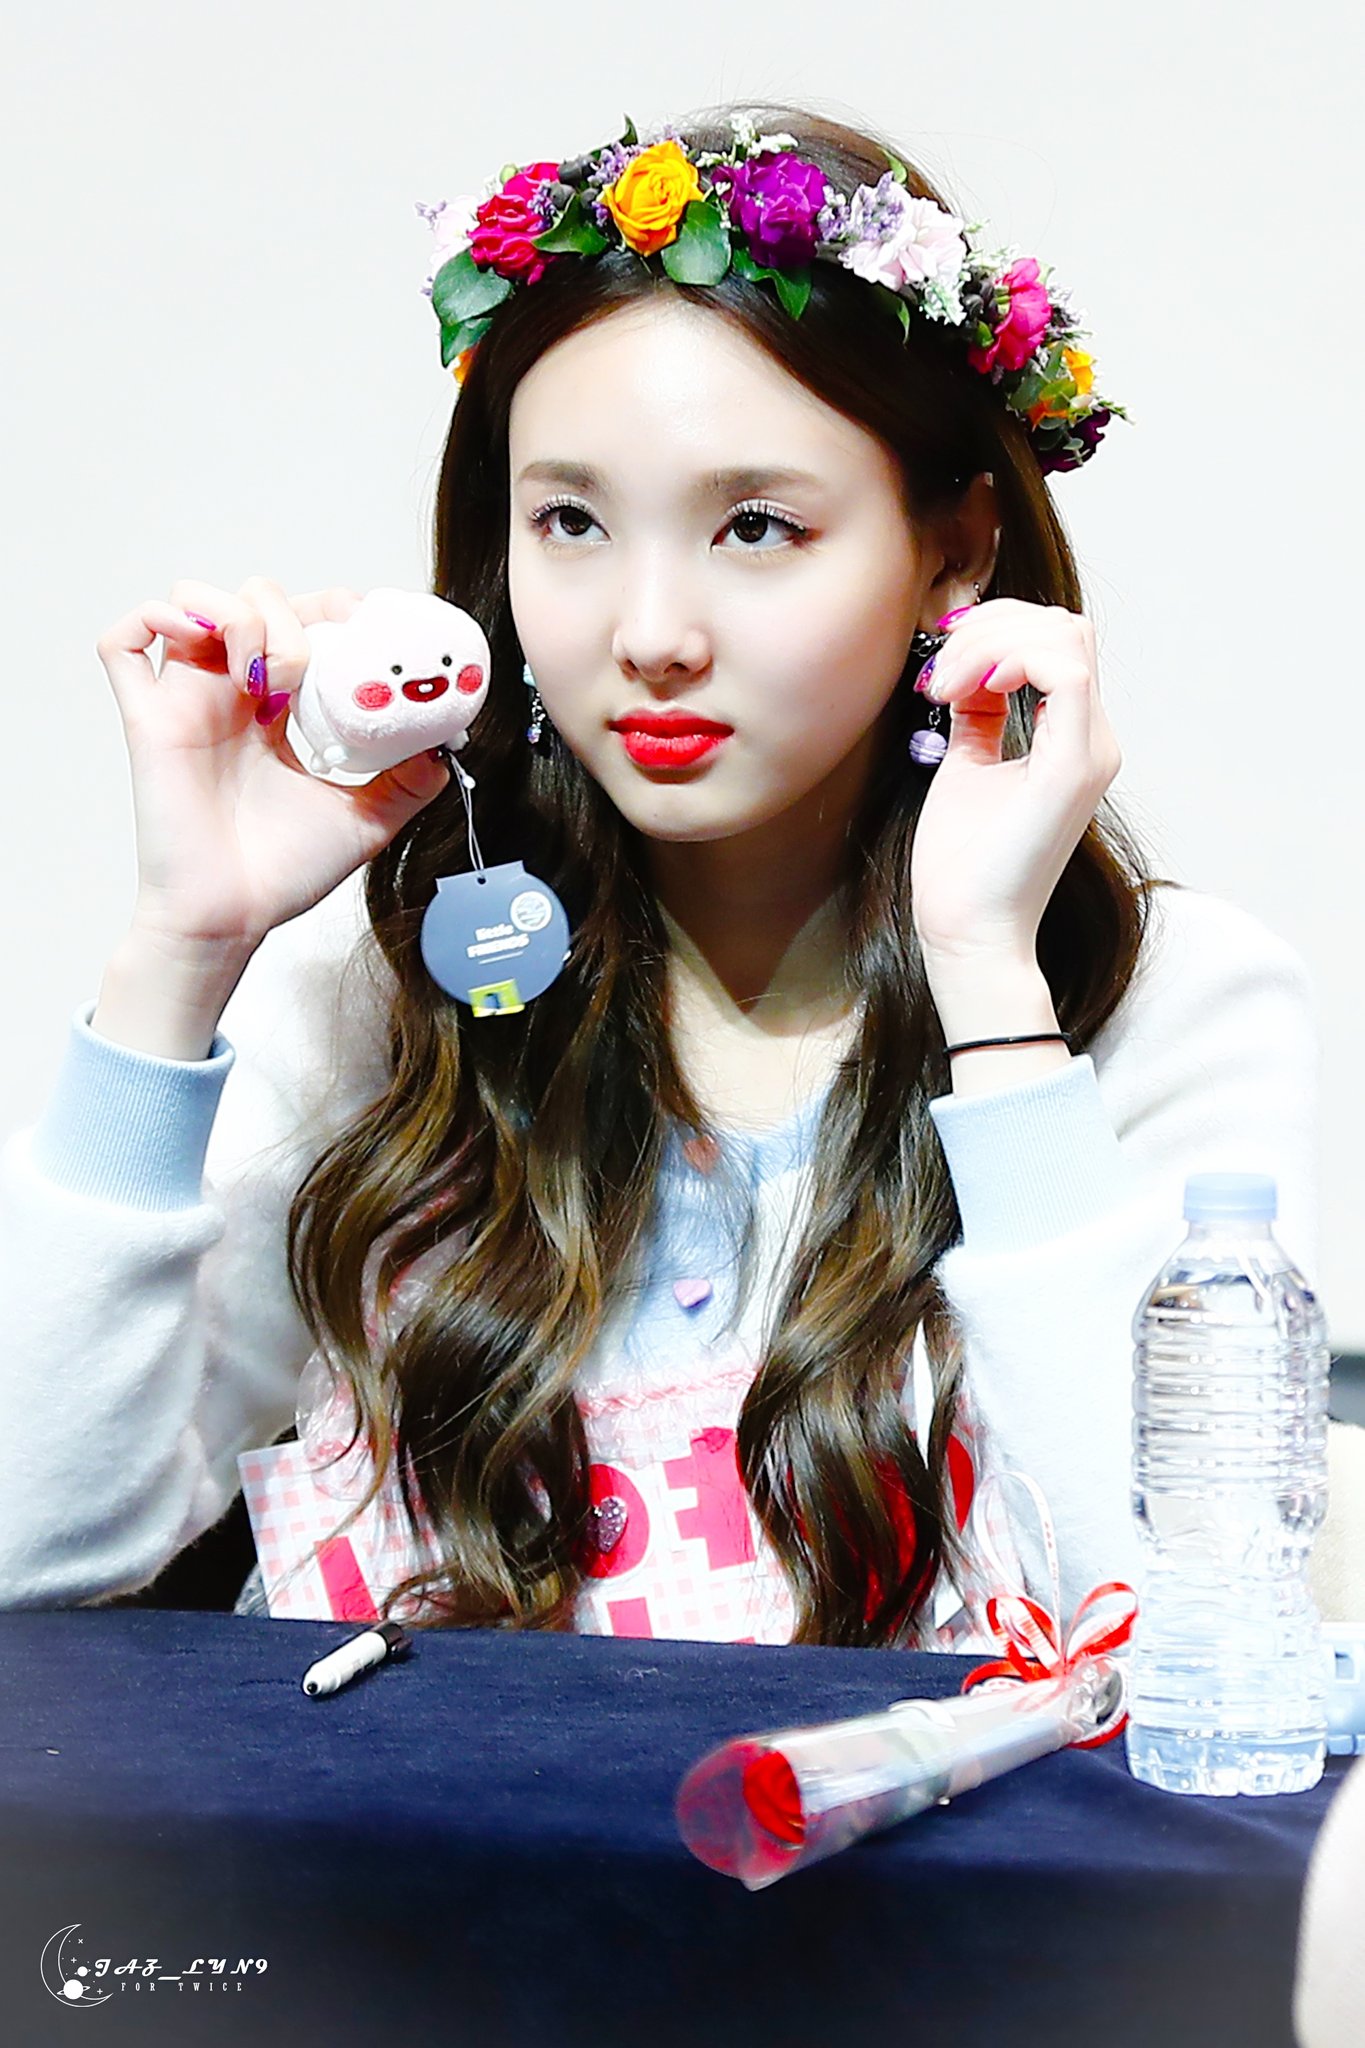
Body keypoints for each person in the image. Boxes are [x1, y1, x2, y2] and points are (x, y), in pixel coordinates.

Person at [0, 101, 1338, 1649]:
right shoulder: (367, 988)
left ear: (955, 549)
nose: (646, 633)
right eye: (570, 520)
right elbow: (30, 1551)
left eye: (754, 527)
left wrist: (984, 972)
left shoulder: (1163, 1005)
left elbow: (1200, 1629)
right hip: (387, 1817)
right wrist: (181, 951)